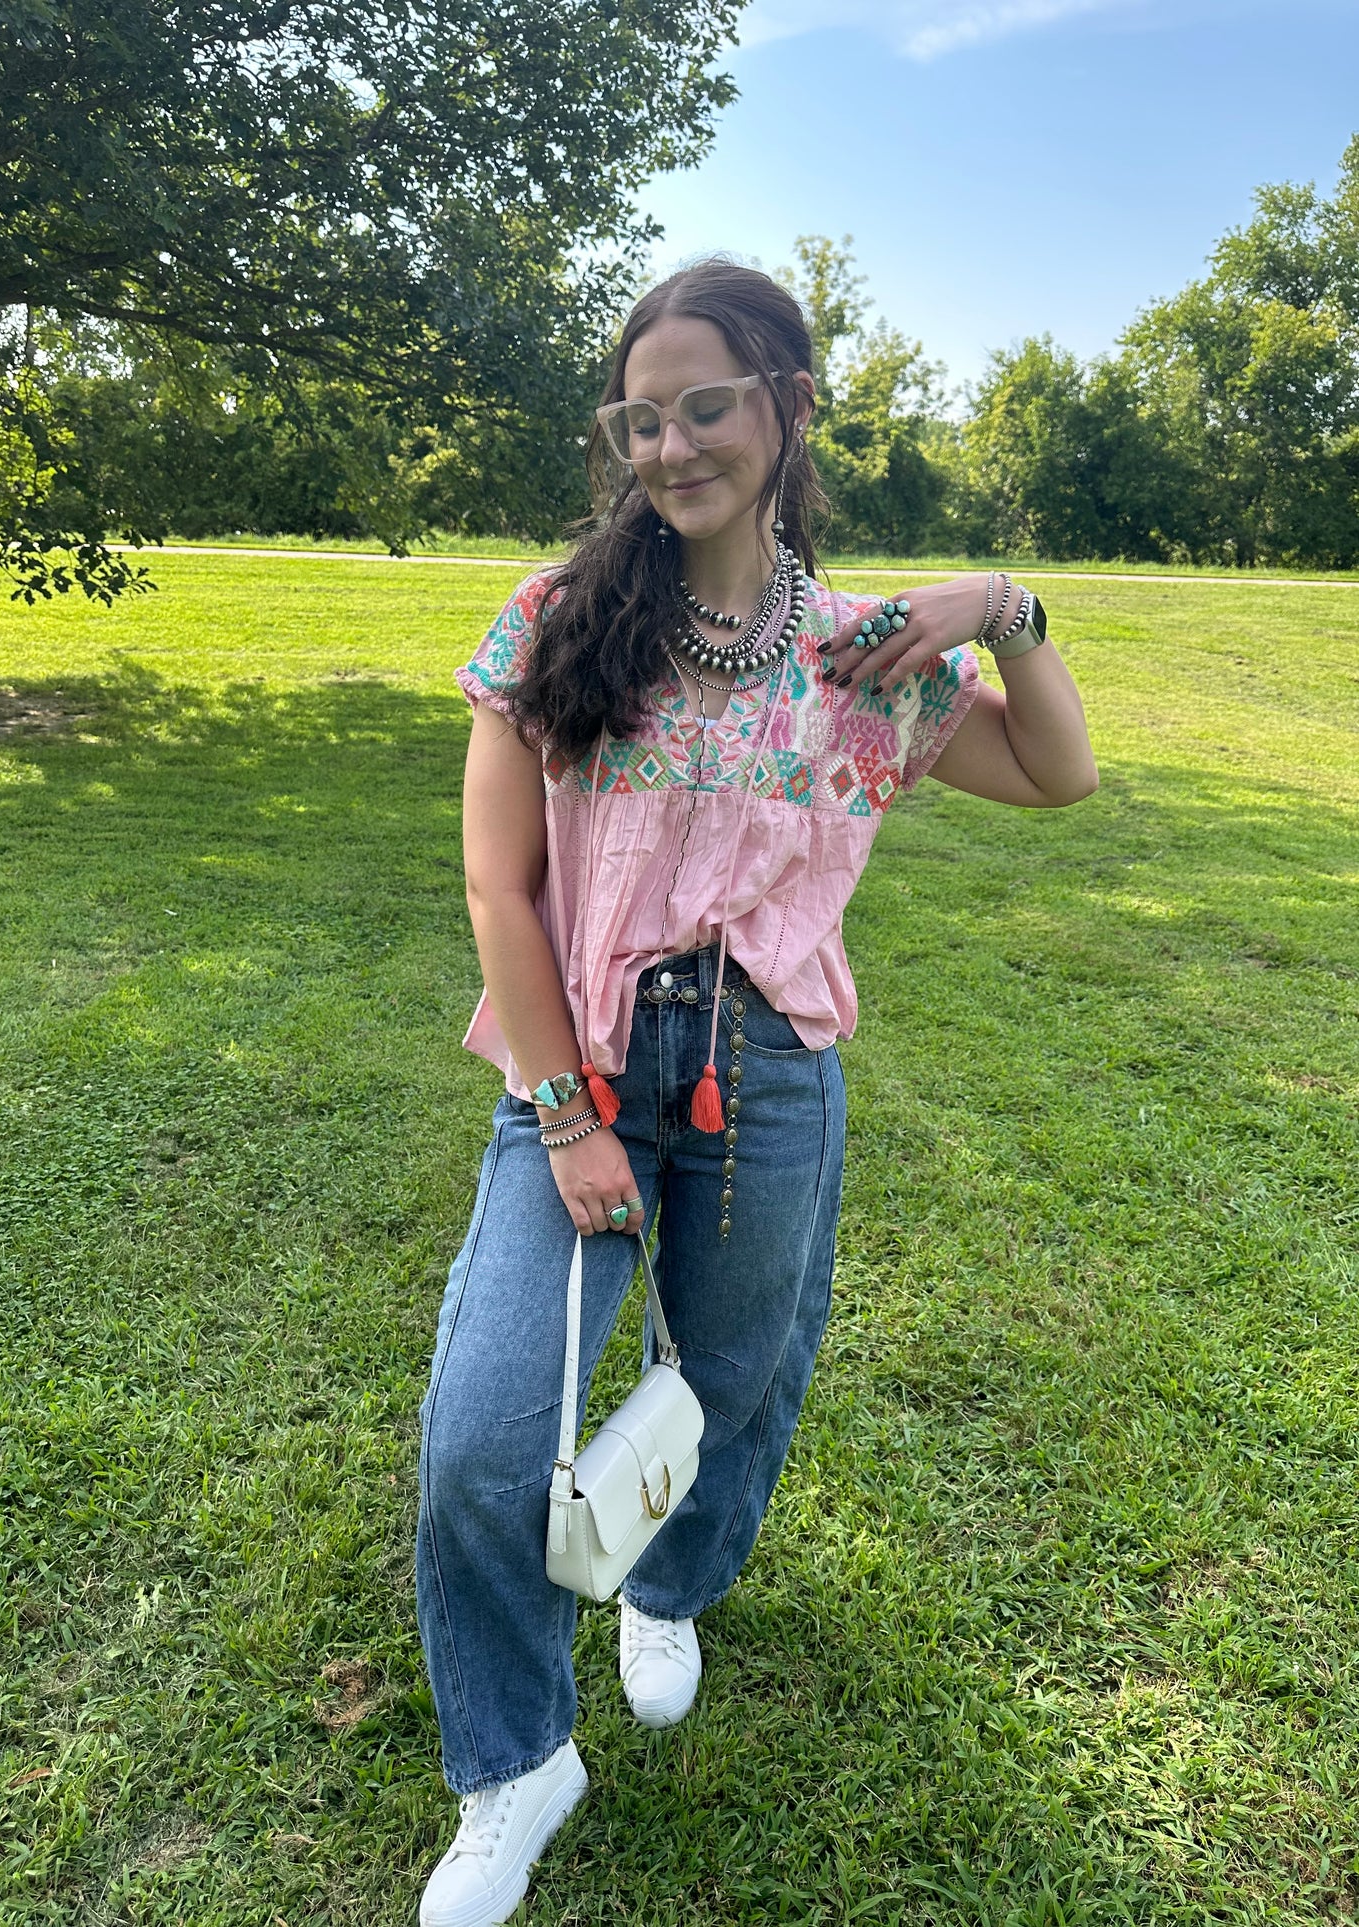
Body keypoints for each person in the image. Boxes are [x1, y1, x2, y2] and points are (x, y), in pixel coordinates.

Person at [415, 258, 1098, 1926]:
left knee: (732, 1378)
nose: (668, 446)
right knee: (482, 1434)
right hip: (577, 1061)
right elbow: (501, 890)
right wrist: (565, 1113)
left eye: (703, 405)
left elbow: (1060, 772)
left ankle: (669, 1581)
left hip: (770, 1070)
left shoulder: (871, 660)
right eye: (638, 418)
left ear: (786, 406)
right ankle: (517, 1759)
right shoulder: (558, 615)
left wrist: (1002, 604)